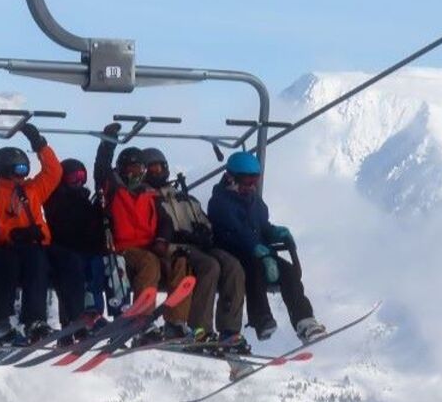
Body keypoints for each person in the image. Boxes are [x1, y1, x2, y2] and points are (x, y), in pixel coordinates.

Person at [0, 123, 84, 342]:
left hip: (39, 245)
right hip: (12, 249)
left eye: (25, 170)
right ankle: (34, 320)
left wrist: (39, 144)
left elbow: (54, 171)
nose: (23, 175)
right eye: (19, 170)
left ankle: (77, 318)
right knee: (36, 262)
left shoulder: (32, 189)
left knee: (70, 261)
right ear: (5, 170)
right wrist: (15, 233)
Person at [208, 150, 324, 342]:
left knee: (288, 271)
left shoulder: (254, 201)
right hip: (234, 252)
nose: (252, 186)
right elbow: (236, 231)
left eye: (255, 181)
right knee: (254, 271)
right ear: (231, 178)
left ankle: (305, 322)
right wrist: (257, 249)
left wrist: (275, 232)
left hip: (259, 252)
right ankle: (261, 320)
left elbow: (261, 226)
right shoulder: (220, 202)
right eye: (247, 182)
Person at [141, 147, 245, 354]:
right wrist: (179, 237)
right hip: (176, 247)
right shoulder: (147, 198)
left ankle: (229, 330)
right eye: (152, 168)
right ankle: (200, 328)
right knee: (210, 266)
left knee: (233, 266)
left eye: (160, 167)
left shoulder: (184, 197)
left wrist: (204, 232)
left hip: (200, 245)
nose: (157, 171)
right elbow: (154, 228)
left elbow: (204, 220)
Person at [94, 127, 186, 339]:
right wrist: (108, 143)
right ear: (123, 169)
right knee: (149, 262)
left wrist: (163, 240)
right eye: (131, 169)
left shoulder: (150, 193)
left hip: (151, 245)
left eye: (139, 169)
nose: (136, 174)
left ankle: (176, 321)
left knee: (181, 261)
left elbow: (165, 221)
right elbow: (101, 169)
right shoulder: (114, 189)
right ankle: (140, 321)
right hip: (124, 248)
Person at [43, 157, 111, 321]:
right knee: (74, 269)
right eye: (73, 177)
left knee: (96, 266)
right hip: (65, 250)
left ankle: (94, 311)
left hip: (86, 250)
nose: (78, 181)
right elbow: (64, 227)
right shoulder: (55, 199)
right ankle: (75, 316)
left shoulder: (85, 200)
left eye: (82, 177)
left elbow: (92, 228)